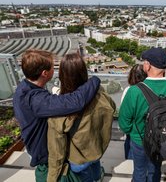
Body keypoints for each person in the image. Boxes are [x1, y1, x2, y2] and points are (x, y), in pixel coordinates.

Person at [13, 49, 100, 180]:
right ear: (45, 73)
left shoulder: (23, 88)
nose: (55, 70)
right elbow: (75, 101)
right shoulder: (36, 100)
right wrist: (94, 80)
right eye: (53, 67)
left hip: (34, 146)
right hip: (44, 153)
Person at [118, 47, 166, 182]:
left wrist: (133, 133)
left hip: (140, 140)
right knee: (155, 170)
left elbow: (124, 123)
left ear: (148, 65)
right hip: (165, 140)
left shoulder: (134, 91)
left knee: (139, 170)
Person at [47, 53, 116, 182]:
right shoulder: (99, 93)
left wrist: (52, 178)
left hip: (78, 158)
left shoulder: (59, 108)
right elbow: (111, 107)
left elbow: (56, 151)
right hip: (97, 148)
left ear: (62, 75)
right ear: (84, 72)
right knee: (95, 167)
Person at [120, 64, 147, 159]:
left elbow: (124, 115)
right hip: (149, 132)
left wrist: (128, 130)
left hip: (134, 134)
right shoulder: (150, 89)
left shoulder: (129, 90)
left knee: (134, 163)